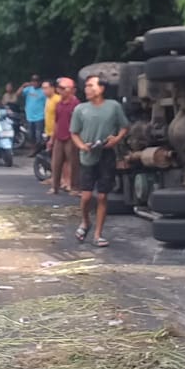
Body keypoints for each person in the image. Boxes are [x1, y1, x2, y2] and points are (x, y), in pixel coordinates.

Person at [70, 74, 129, 247]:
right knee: (87, 196)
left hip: (106, 154)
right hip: (88, 155)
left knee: (103, 196)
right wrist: (81, 146)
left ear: (101, 88)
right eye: (86, 86)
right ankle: (86, 221)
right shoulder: (81, 109)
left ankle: (98, 234)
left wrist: (116, 140)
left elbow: (124, 127)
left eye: (91, 85)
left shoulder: (113, 107)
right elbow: (74, 132)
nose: (87, 89)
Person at [51, 77, 79, 195]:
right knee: (56, 163)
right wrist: (52, 138)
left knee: (74, 163)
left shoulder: (76, 105)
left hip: (71, 137)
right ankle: (55, 186)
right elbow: (56, 122)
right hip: (59, 136)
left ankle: (75, 187)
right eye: (59, 88)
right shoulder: (59, 104)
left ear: (71, 90)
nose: (60, 91)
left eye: (63, 88)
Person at [20, 75, 48, 149]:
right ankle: (33, 149)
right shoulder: (28, 89)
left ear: (39, 82)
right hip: (29, 116)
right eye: (33, 81)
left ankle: (39, 149)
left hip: (40, 116)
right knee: (30, 135)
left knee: (38, 135)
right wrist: (23, 86)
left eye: (36, 81)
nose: (34, 83)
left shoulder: (43, 91)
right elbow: (18, 94)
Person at [42, 79, 59, 151]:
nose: (44, 90)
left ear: (52, 88)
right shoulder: (47, 99)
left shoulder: (57, 99)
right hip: (48, 132)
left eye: (46, 88)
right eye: (43, 88)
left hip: (56, 133)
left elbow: (58, 119)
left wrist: (52, 136)